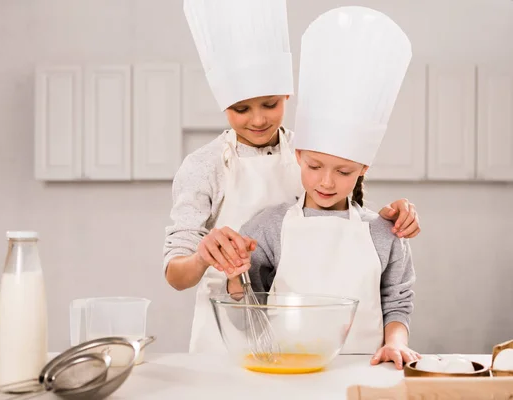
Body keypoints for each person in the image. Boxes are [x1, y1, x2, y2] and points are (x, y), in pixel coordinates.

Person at [165, 0, 421, 355]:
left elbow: (342, 214)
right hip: (224, 324)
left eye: (270, 104)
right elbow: (176, 275)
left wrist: (395, 213)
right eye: (241, 109)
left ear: (287, 94)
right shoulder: (203, 166)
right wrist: (204, 257)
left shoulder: (310, 148)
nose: (257, 120)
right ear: (224, 104)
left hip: (297, 338)